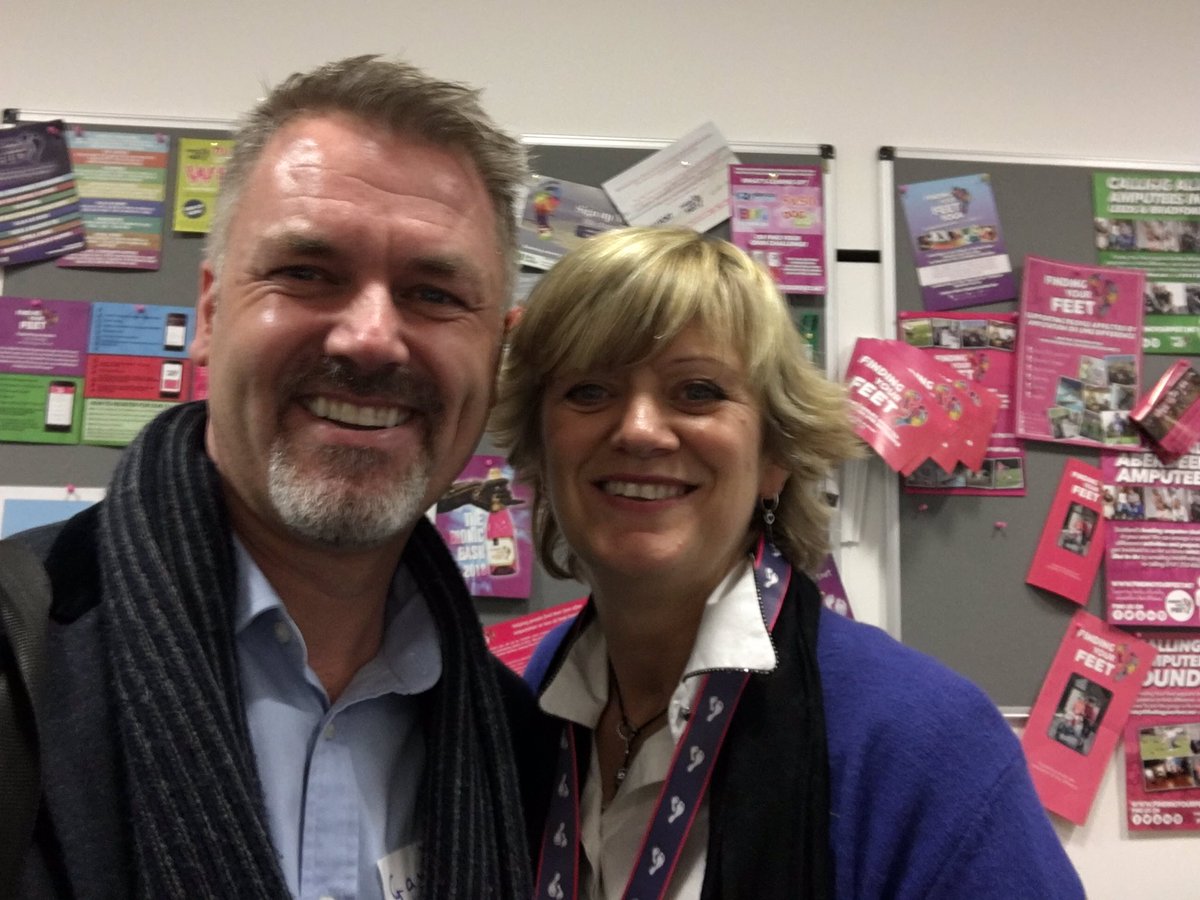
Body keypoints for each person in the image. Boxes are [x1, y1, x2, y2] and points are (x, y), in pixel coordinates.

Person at [5, 56, 551, 899]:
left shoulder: (519, 749)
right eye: (306, 273)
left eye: (435, 293)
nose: (370, 338)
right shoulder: (18, 664)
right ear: (211, 312)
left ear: (498, 352)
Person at [492, 226, 1085, 898]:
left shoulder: (927, 741)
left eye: (697, 391)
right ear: (540, 446)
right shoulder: (545, 688)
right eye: (589, 390)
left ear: (775, 454)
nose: (639, 430)